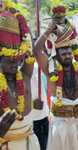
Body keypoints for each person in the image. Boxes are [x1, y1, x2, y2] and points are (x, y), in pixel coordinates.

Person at [34, 5, 78, 150]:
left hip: (77, 120)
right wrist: (48, 30)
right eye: (64, 54)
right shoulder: (51, 69)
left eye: (69, 53)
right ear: (57, 55)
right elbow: (36, 50)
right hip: (59, 121)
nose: (68, 56)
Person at [0, 1, 40, 149]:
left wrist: (19, 18)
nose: (15, 63)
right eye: (9, 60)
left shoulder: (25, 76)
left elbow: (30, 46)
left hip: (30, 143)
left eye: (17, 59)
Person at [31, 61, 49, 150]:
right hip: (29, 122)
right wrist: (31, 105)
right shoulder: (15, 69)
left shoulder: (37, 66)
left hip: (44, 116)